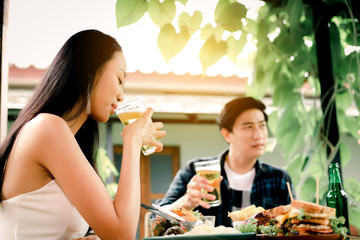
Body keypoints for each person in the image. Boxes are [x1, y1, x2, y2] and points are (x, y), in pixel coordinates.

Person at [0, 29, 166, 240]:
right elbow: (122, 235)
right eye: (119, 78)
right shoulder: (47, 128)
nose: (121, 95)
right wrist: (132, 141)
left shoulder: (59, 135)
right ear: (91, 70)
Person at [156, 97, 294, 227]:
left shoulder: (279, 179)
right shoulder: (196, 171)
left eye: (262, 125)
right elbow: (156, 220)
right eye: (249, 127)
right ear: (227, 134)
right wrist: (185, 202)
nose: (258, 135)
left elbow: (293, 226)